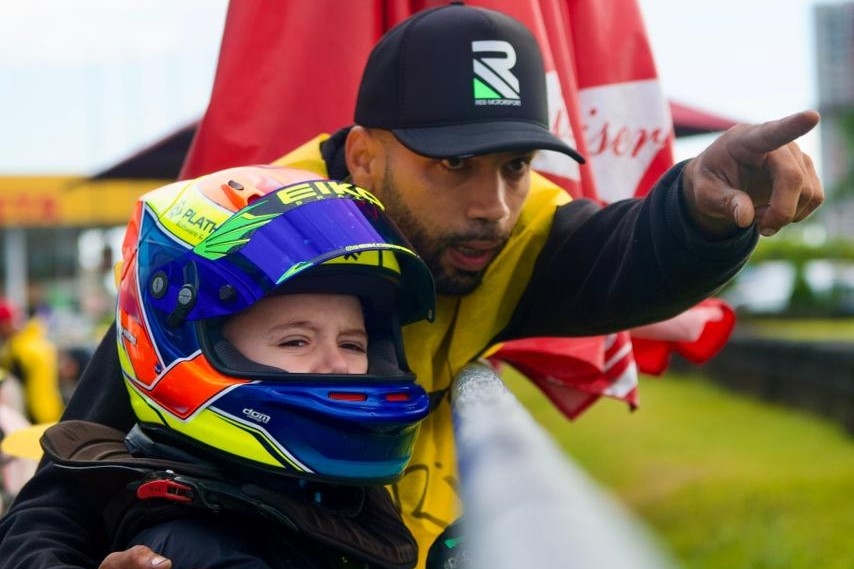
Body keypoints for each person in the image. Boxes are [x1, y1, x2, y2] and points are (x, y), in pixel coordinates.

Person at [0, 3, 822, 569]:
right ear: (363, 156)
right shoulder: (234, 242)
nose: (491, 206)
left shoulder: (511, 225)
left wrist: (704, 208)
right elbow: (75, 472)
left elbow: (624, 257)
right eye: (453, 163)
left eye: (513, 164)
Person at [36, 164, 436, 569]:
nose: (340, 365)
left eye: (353, 343)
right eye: (295, 340)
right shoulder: (195, 548)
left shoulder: (323, 500)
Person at [0, 297, 64, 425]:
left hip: (36, 418)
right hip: (51, 413)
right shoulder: (36, 342)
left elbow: (35, 392)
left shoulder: (19, 351)